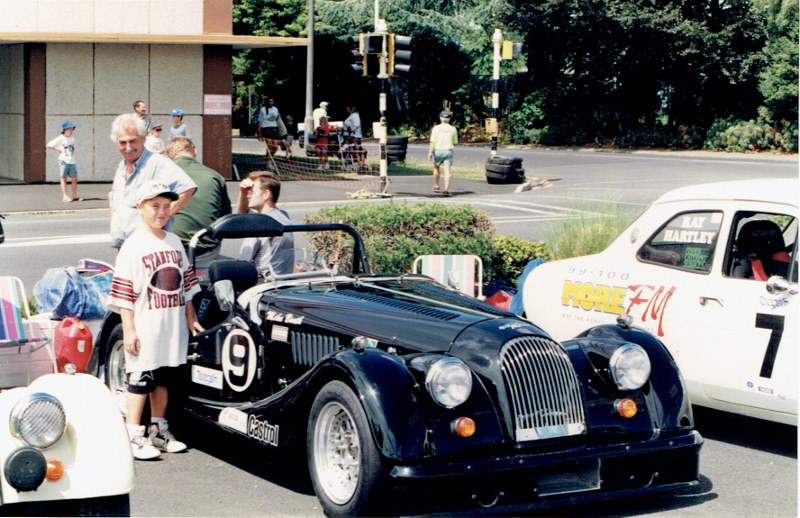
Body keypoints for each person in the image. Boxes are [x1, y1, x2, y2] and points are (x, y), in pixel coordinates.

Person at [108, 180, 203, 460]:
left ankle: (158, 431)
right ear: (141, 207)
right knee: (141, 379)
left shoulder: (174, 242)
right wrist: (129, 329)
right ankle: (133, 435)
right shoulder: (133, 245)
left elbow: (186, 286)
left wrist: (190, 317)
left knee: (163, 378)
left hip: (171, 325)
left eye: (166, 206)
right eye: (154, 206)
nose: (161, 212)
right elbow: (124, 293)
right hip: (146, 323)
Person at [109, 112, 197, 248]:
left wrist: (161, 218)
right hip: (124, 246)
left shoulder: (157, 162)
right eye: (122, 142)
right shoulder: (121, 167)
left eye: (133, 141)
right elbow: (115, 204)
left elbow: (187, 188)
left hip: (149, 247)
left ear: (143, 139)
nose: (128, 147)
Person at [167, 137, 232, 259]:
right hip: (206, 247)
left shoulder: (163, 173)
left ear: (170, 156)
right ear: (195, 151)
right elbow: (225, 217)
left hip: (171, 246)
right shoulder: (215, 176)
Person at [235, 172, 295, 279]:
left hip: (260, 282)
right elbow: (242, 216)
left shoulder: (260, 223)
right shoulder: (282, 216)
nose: (248, 195)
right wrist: (243, 193)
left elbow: (243, 262)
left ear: (266, 194)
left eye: (252, 191)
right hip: (282, 280)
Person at [47, 120, 81, 203]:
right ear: (65, 129)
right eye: (69, 129)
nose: (71, 131)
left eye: (72, 129)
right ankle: (65, 196)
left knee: (74, 178)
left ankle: (74, 195)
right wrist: (58, 149)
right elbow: (48, 145)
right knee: (63, 177)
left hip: (72, 160)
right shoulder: (60, 138)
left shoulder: (73, 139)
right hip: (63, 160)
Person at [428, 110, 458, 197]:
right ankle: (446, 190)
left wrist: (430, 152)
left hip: (437, 150)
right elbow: (455, 142)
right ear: (449, 119)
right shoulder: (453, 129)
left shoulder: (436, 128)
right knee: (447, 170)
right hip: (448, 150)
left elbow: (432, 141)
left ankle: (436, 185)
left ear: (440, 118)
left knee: (436, 167)